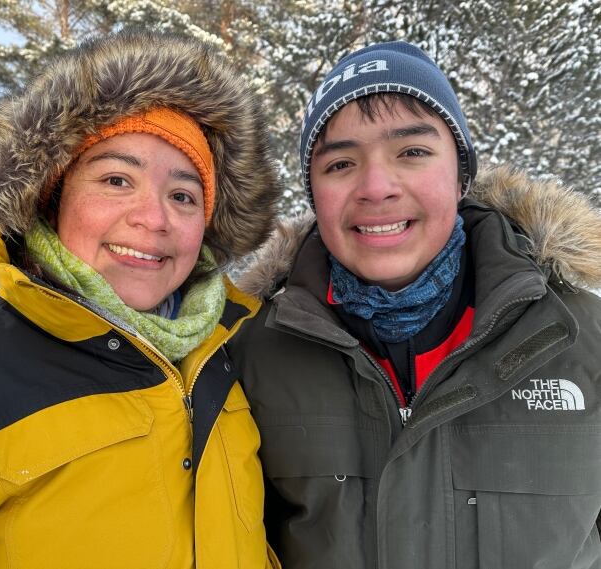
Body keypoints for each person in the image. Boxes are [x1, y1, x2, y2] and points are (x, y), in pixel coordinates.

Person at [0, 29, 281, 568]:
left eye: (182, 195)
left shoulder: (228, 353)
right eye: (115, 180)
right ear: (51, 196)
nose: (154, 218)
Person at [229, 40, 601, 569]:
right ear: (314, 194)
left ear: (460, 175)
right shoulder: (249, 353)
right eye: (340, 163)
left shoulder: (583, 335)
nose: (376, 187)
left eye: (412, 152)